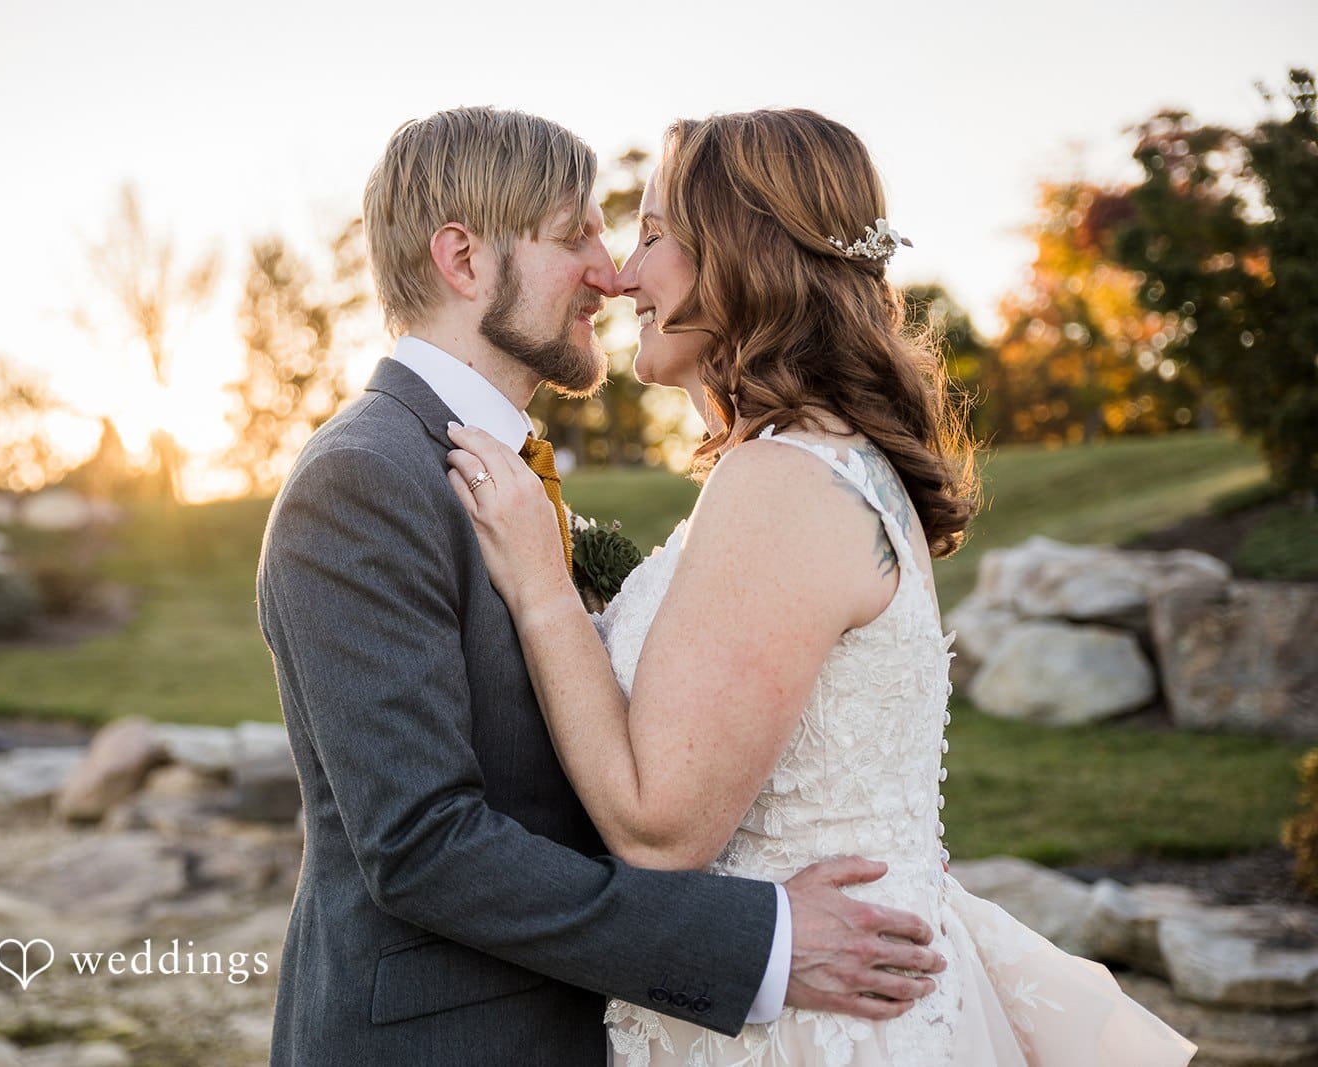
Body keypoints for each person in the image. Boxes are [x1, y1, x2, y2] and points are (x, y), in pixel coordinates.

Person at [445, 109, 1197, 1065]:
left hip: (807, 1026)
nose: (623, 274)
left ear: (743, 253)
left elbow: (658, 826)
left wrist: (544, 588)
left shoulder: (786, 478)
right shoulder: (818, 463)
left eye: (654, 235)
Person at [256, 107, 947, 1067]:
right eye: (576, 232)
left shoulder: (516, 472)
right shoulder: (363, 477)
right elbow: (418, 842)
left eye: (633, 234)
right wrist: (759, 942)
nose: (610, 270)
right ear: (463, 259)